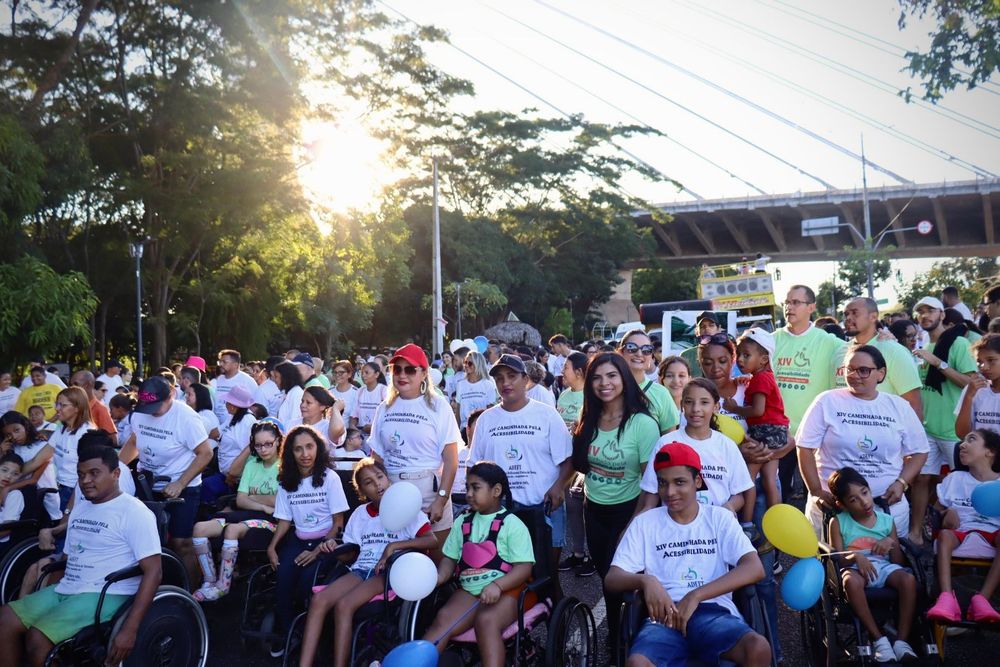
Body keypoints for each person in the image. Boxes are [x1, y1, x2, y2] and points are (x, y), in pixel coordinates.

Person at [606, 442, 771, 667]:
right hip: (663, 619)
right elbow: (613, 578)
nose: (670, 492)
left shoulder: (719, 518)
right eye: (663, 483)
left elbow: (754, 568)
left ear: (697, 482)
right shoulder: (645, 523)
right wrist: (645, 580)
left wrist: (695, 596)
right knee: (637, 663)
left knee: (758, 647)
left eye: (679, 482)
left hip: (713, 613)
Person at [0, 446, 162, 667]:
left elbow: (154, 571)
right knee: (5, 619)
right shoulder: (80, 509)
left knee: (38, 639)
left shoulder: (135, 512)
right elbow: (68, 559)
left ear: (116, 474)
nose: (85, 480)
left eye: (94, 473)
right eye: (81, 474)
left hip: (107, 593)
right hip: (70, 587)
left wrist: (130, 628)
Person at [298, 458, 437, 667]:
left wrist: (393, 547)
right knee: (318, 601)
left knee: (345, 605)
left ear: (388, 480)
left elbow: (432, 541)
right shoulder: (360, 514)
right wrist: (334, 550)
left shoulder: (407, 508)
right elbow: (351, 554)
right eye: (369, 482)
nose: (377, 483)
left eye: (379, 477)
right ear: (362, 491)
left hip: (387, 573)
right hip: (360, 568)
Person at [796, 345, 929, 536]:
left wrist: (901, 483)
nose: (854, 375)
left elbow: (920, 451)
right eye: (849, 369)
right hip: (835, 510)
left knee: (890, 563)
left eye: (863, 370)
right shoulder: (826, 401)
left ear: (881, 374)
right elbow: (805, 447)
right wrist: (816, 490)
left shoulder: (899, 406)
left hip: (886, 509)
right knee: (831, 562)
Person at [571, 352, 659, 639]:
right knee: (606, 579)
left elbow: (651, 486)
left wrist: (633, 526)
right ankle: (616, 636)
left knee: (627, 579)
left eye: (611, 376)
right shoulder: (589, 418)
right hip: (594, 509)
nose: (604, 383)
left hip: (630, 510)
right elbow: (578, 465)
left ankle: (639, 636)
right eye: (596, 377)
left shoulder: (642, 424)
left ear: (623, 378)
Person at [471, 354, 574, 595]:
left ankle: (557, 626)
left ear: (526, 379)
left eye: (512, 376)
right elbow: (475, 466)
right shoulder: (487, 420)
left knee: (547, 576)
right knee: (506, 576)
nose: (505, 383)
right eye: (499, 378)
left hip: (545, 509)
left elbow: (568, 460)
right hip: (503, 514)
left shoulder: (547, 415)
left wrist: (558, 487)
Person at [421, 462, 535, 667]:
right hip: (470, 590)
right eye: (467, 488)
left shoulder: (512, 524)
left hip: (509, 589)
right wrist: (440, 577)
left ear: (496, 491)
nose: (469, 494)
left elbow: (524, 568)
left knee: (486, 622)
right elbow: (450, 558)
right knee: (443, 619)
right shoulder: (462, 521)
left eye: (476, 487)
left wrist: (497, 586)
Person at [118, 376, 212, 586]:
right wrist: (116, 469)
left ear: (171, 395)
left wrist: (180, 483)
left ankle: (190, 590)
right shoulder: (140, 414)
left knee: (181, 542)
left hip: (182, 484)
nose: (152, 411)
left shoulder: (186, 418)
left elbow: (205, 453)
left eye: (157, 406)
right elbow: (134, 441)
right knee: (144, 541)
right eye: (147, 406)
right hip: (147, 483)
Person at [266, 424, 349, 657]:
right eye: (298, 449)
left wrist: (318, 551)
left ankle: (307, 632)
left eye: (310, 447)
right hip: (298, 538)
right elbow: (283, 521)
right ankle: (287, 632)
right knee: (282, 579)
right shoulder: (286, 481)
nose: (305, 454)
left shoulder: (329, 478)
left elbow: (338, 522)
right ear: (290, 453)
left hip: (326, 539)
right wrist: (272, 548)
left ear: (318, 448)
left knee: (306, 582)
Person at [369, 344, 461, 548]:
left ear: (424, 373)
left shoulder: (438, 406)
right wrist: (376, 493)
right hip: (391, 489)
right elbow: (376, 458)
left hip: (429, 490)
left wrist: (441, 499)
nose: (402, 375)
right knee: (394, 553)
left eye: (410, 369)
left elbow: (451, 460)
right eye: (397, 369)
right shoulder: (384, 408)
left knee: (437, 558)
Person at [827, 467, 918, 662]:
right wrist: (856, 557)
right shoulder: (838, 522)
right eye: (853, 499)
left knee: (908, 579)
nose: (864, 501)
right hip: (854, 569)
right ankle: (879, 639)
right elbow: (838, 557)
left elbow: (897, 562)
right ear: (842, 505)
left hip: (884, 567)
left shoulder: (886, 520)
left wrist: (890, 543)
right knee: (850, 582)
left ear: (869, 490)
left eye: (864, 492)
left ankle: (902, 642)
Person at [911, 295, 977, 544]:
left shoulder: (958, 344)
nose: (925, 316)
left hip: (953, 430)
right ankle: (915, 533)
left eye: (930, 311)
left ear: (942, 315)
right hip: (927, 428)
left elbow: (972, 383)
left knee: (962, 485)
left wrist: (938, 364)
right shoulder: (922, 347)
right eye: (921, 312)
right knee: (920, 479)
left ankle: (967, 535)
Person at [635, 378, 754, 516]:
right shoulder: (666, 442)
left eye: (704, 402)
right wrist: (638, 521)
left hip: (716, 526)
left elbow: (739, 494)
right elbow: (651, 492)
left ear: (716, 407)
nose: (696, 409)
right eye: (689, 402)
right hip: (675, 525)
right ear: (682, 405)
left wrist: (728, 508)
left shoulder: (727, 445)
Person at [192, 421, 282, 601]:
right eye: (258, 445)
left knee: (233, 529)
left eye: (268, 444)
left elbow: (280, 502)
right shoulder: (252, 465)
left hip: (273, 522)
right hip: (251, 514)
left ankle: (223, 586)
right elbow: (241, 500)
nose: (263, 449)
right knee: (199, 528)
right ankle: (209, 581)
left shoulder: (284, 467)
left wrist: (252, 497)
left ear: (278, 441)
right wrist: (264, 504)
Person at [925, 428, 1000, 623]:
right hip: (960, 532)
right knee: (945, 536)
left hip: (994, 532)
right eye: (962, 441)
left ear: (990, 451)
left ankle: (982, 599)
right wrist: (945, 515)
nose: (962, 445)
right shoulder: (955, 479)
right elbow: (934, 514)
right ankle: (946, 598)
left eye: (971, 440)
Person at [724, 329, 788, 522]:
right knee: (769, 479)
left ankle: (747, 522)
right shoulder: (762, 377)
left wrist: (734, 409)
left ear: (763, 359)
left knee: (748, 478)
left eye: (746, 355)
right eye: (738, 355)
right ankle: (777, 520)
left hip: (765, 431)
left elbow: (758, 410)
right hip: (778, 431)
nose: (740, 360)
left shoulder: (760, 379)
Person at [841, 297, 924, 421]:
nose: (848, 318)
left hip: (886, 435)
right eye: (846, 314)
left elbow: (914, 405)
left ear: (873, 317)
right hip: (845, 433)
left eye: (854, 313)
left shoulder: (895, 351)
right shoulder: (840, 350)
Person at [202, 385, 258, 503]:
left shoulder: (247, 422)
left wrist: (233, 475)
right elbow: (218, 433)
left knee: (208, 487)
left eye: (227, 402)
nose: (225, 404)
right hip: (224, 474)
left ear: (233, 406)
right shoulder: (233, 417)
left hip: (235, 479)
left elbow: (247, 453)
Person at [0, 412, 59, 522]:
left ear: (26, 426)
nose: (14, 436)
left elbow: (33, 480)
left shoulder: (42, 447)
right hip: (15, 499)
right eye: (8, 434)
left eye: (17, 430)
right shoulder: (12, 450)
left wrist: (7, 488)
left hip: (43, 500)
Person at [619, 329, 680, 435]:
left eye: (646, 349)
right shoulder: (610, 389)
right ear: (620, 352)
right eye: (631, 348)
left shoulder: (661, 394)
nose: (639, 353)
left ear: (651, 356)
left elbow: (669, 441)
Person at [44, 387, 96, 511]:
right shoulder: (63, 429)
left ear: (77, 408)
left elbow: (88, 472)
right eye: (57, 404)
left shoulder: (86, 433)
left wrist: (69, 508)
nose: (57, 408)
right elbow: (40, 458)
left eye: (62, 405)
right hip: (58, 487)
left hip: (74, 491)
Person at [957, 334, 1000, 440]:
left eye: (991, 360)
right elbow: (962, 434)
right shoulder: (974, 389)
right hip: (978, 455)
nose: (984, 367)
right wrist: (969, 397)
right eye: (979, 362)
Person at [454, 351, 498, 436]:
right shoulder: (461, 384)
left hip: (483, 429)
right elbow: (458, 411)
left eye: (470, 363)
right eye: (465, 362)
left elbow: (491, 410)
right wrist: (456, 432)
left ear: (478, 364)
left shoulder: (488, 385)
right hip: (465, 430)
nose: (466, 365)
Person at [212, 349, 259, 426]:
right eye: (220, 361)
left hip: (236, 426)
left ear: (236, 365)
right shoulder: (220, 379)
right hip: (218, 425)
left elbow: (255, 404)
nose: (220, 364)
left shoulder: (247, 380)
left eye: (224, 362)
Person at [70, 370, 117, 445]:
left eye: (75, 384)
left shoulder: (100, 409)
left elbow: (113, 439)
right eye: (70, 385)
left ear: (87, 385)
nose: (71, 388)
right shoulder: (72, 406)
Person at [348, 361, 387, 441]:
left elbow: (388, 416)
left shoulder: (383, 390)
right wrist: (352, 426)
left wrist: (373, 427)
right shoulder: (360, 391)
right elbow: (354, 415)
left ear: (376, 374)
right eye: (362, 373)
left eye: (366, 373)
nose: (363, 375)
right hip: (362, 438)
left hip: (378, 437)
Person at [0, 453, 25, 556]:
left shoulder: (15, 495)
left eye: (15, 474)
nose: (8, 476)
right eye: (4, 470)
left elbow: (7, 529)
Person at [556, 351, 587, 429]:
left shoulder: (591, 396)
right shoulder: (563, 394)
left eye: (565, 368)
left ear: (578, 372)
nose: (562, 371)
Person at [185, 382, 221, 446]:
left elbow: (214, 437)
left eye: (189, 394)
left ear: (199, 396)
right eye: (186, 394)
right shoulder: (190, 412)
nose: (186, 396)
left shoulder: (208, 414)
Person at [274, 360, 306, 429]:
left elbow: (295, 421)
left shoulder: (297, 393)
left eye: (276, 377)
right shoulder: (288, 393)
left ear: (285, 377)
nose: (275, 380)